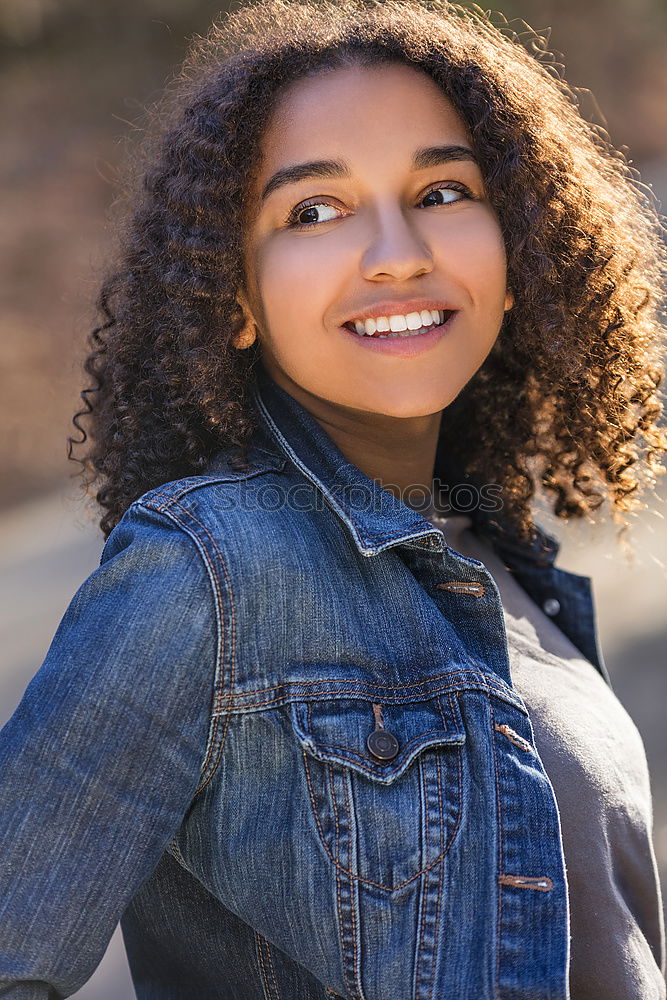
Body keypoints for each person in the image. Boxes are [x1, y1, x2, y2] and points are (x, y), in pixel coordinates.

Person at [1, 0, 666, 996]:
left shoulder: (511, 573)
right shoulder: (208, 570)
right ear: (231, 297)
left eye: (443, 190)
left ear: (517, 249)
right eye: (313, 210)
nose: (396, 250)